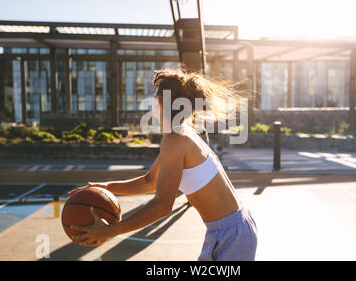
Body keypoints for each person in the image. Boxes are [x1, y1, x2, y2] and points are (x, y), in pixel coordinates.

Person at [68, 69, 258, 261]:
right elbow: (150, 181)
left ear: (161, 103)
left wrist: (110, 231)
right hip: (231, 230)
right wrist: (106, 188)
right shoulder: (179, 134)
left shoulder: (176, 140)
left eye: (154, 97)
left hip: (232, 234)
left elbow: (162, 205)